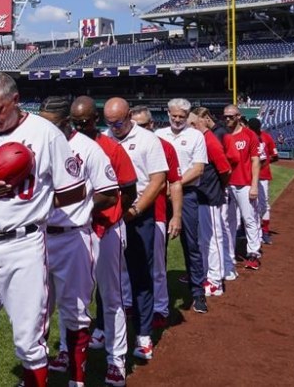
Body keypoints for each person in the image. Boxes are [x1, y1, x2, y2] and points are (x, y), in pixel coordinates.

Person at [0, 72, 77, 387]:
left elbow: (75, 189)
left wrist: (40, 207)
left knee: (29, 342)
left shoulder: (45, 133)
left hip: (24, 243)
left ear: (15, 100)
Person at [37, 95, 118, 387]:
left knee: (76, 312)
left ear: (67, 122)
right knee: (35, 312)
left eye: (52, 124)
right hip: (39, 237)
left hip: (73, 239)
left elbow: (110, 192)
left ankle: (78, 380)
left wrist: (81, 208)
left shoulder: (87, 148)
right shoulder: (34, 144)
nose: (44, 130)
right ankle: (35, 376)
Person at [69, 96, 138, 387]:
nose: (81, 126)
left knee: (112, 298)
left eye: (85, 121)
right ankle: (66, 353)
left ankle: (116, 360)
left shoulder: (111, 148)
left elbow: (129, 189)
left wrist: (116, 215)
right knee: (73, 299)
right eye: (76, 121)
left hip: (107, 228)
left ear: (95, 119)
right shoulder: (67, 146)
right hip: (78, 231)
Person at [102, 97, 167, 361]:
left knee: (141, 276)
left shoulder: (148, 140)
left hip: (139, 215)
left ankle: (143, 334)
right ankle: (101, 329)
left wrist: (136, 210)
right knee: (106, 275)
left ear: (129, 116)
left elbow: (158, 180)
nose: (114, 127)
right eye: (109, 123)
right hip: (110, 215)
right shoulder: (105, 138)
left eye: (118, 122)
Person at [154, 99, 208, 314]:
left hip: (187, 195)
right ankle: (159, 295)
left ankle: (198, 293)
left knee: (191, 245)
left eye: (182, 116)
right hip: (160, 196)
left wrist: (174, 186)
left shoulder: (196, 136)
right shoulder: (159, 135)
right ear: (168, 113)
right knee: (159, 246)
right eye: (174, 115)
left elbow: (198, 169)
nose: (177, 120)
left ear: (187, 116)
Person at [130, 106, 183, 324]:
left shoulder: (165, 147)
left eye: (142, 125)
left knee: (157, 267)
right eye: (134, 125)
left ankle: (160, 308)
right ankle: (128, 304)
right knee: (123, 266)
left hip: (156, 212)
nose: (138, 129)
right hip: (124, 214)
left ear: (151, 125)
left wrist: (176, 216)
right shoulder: (120, 144)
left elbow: (176, 183)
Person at [189, 107, 233, 292]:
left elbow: (225, 170)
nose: (189, 127)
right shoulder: (201, 140)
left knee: (214, 238)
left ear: (201, 122)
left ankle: (215, 281)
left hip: (210, 196)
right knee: (204, 239)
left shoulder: (210, 140)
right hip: (201, 195)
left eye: (192, 123)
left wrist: (220, 189)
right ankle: (207, 274)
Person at [221, 106, 262, 271]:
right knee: (228, 221)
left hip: (244, 183)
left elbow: (255, 161)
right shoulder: (222, 135)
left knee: (249, 218)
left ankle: (253, 253)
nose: (227, 119)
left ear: (238, 116)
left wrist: (254, 185)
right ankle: (229, 254)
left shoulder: (249, 135)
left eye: (230, 117)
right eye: (225, 117)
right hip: (227, 184)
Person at [247, 117, 277, 244]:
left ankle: (264, 231)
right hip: (248, 176)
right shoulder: (246, 137)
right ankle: (251, 231)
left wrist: (263, 164)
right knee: (249, 204)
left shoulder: (266, 137)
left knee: (263, 204)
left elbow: (275, 156)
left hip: (263, 176)